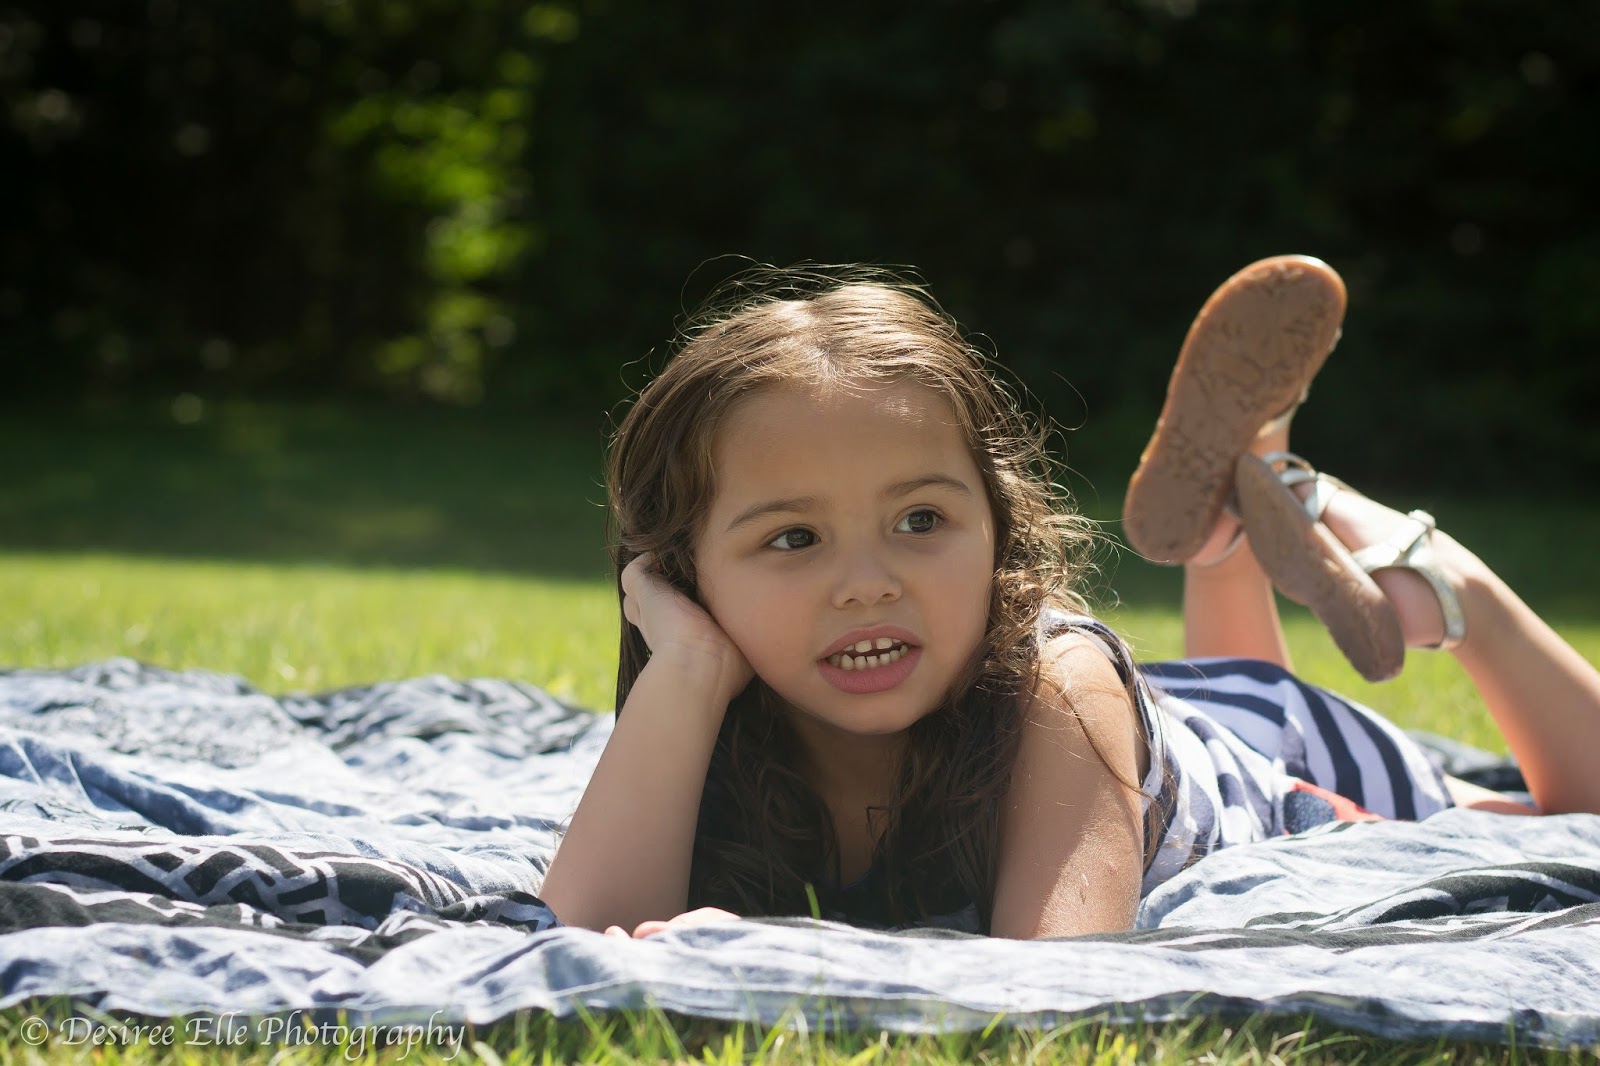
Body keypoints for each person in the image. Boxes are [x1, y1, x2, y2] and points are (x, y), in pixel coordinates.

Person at [537, 258, 1600, 942]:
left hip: (1278, 762)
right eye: (792, 538)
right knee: (1215, 703)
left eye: (920, 519)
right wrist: (686, 669)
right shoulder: (711, 708)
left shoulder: (1060, 681)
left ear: (998, 529)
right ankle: (1239, 502)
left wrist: (756, 958)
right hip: (1180, 723)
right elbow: (579, 944)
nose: (869, 581)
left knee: (1562, 817)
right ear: (681, 571)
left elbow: (1056, 975)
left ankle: (1445, 580)